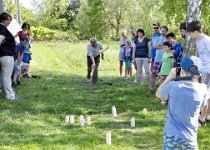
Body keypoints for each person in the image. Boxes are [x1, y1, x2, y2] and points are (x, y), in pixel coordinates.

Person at [156, 56, 208, 150]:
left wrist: (170, 76)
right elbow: (201, 108)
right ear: (199, 74)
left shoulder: (173, 86)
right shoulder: (203, 89)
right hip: (190, 137)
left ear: (182, 70)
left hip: (171, 135)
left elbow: (159, 94)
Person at [187, 20, 210, 125]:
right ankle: (207, 115)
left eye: (190, 33)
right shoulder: (197, 41)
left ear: (195, 31)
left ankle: (201, 118)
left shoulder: (207, 40)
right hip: (203, 70)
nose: (190, 35)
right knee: (206, 95)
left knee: (204, 94)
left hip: (208, 71)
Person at [0, 12, 19, 100]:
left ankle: (6, 92)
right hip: (6, 55)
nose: (10, 21)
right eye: (8, 19)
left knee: (5, 75)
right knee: (6, 76)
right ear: (2, 20)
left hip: (5, 55)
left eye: (10, 19)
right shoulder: (2, 28)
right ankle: (10, 96)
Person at [148, 26, 168, 93]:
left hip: (165, 61)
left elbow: (168, 48)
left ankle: (160, 91)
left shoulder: (168, 40)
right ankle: (151, 89)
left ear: (166, 31)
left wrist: (160, 46)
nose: (163, 32)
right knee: (153, 74)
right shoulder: (157, 38)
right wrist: (164, 46)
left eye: (164, 31)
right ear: (160, 31)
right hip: (157, 60)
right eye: (162, 31)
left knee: (162, 76)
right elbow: (154, 46)